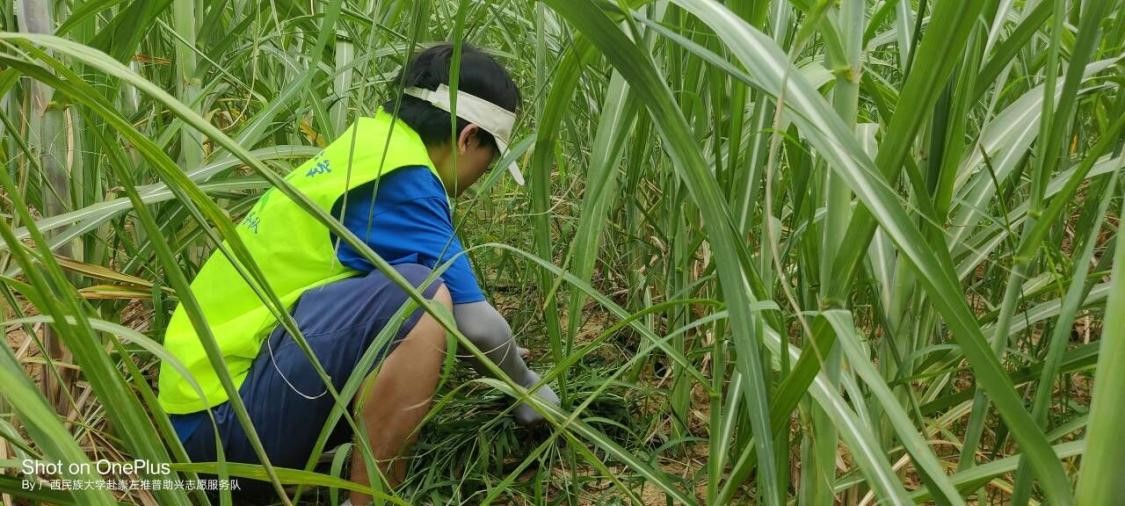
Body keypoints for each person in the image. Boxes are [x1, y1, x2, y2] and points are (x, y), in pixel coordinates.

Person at [156, 43, 560, 504]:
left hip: (200, 423)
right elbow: (475, 325)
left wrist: (485, 354)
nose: (480, 178)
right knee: (424, 299)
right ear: (469, 138)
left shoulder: (369, 147)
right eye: (489, 161)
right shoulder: (404, 178)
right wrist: (529, 391)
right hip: (221, 439)